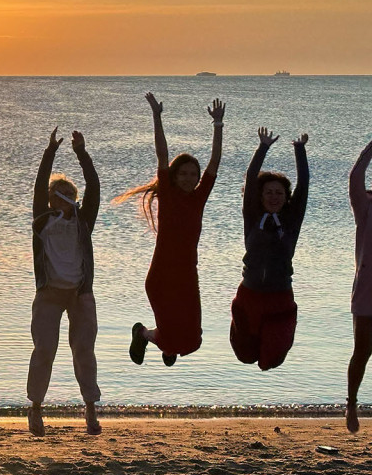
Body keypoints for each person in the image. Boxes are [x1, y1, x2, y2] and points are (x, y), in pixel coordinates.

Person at [118, 94, 224, 365]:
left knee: (193, 340)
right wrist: (157, 116)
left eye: (194, 174)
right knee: (174, 337)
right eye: (184, 174)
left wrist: (218, 126)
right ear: (175, 177)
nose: (189, 178)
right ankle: (143, 334)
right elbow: (162, 154)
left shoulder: (199, 198)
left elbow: (214, 164)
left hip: (187, 276)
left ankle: (163, 344)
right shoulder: (167, 193)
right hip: (162, 277)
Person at [27, 127, 101, 436]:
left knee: (84, 350)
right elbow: (38, 187)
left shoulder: (84, 220)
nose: (67, 200)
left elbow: (94, 186)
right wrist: (50, 152)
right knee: (45, 350)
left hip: (80, 294)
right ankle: (35, 408)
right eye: (62, 196)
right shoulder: (42, 220)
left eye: (71, 195)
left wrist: (81, 153)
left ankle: (91, 409)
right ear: (51, 200)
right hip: (49, 294)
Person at [230, 127, 309, 373]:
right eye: (269, 192)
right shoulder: (252, 217)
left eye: (279, 193)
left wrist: (300, 151)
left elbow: (304, 185)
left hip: (280, 297)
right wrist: (263, 147)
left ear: (286, 197)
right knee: (244, 355)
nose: (274, 197)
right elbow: (250, 177)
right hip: (250, 294)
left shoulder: (291, 220)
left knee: (271, 359)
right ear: (260, 196)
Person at [348, 138, 372, 432]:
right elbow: (356, 175)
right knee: (362, 352)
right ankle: (352, 404)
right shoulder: (365, 207)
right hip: (366, 293)